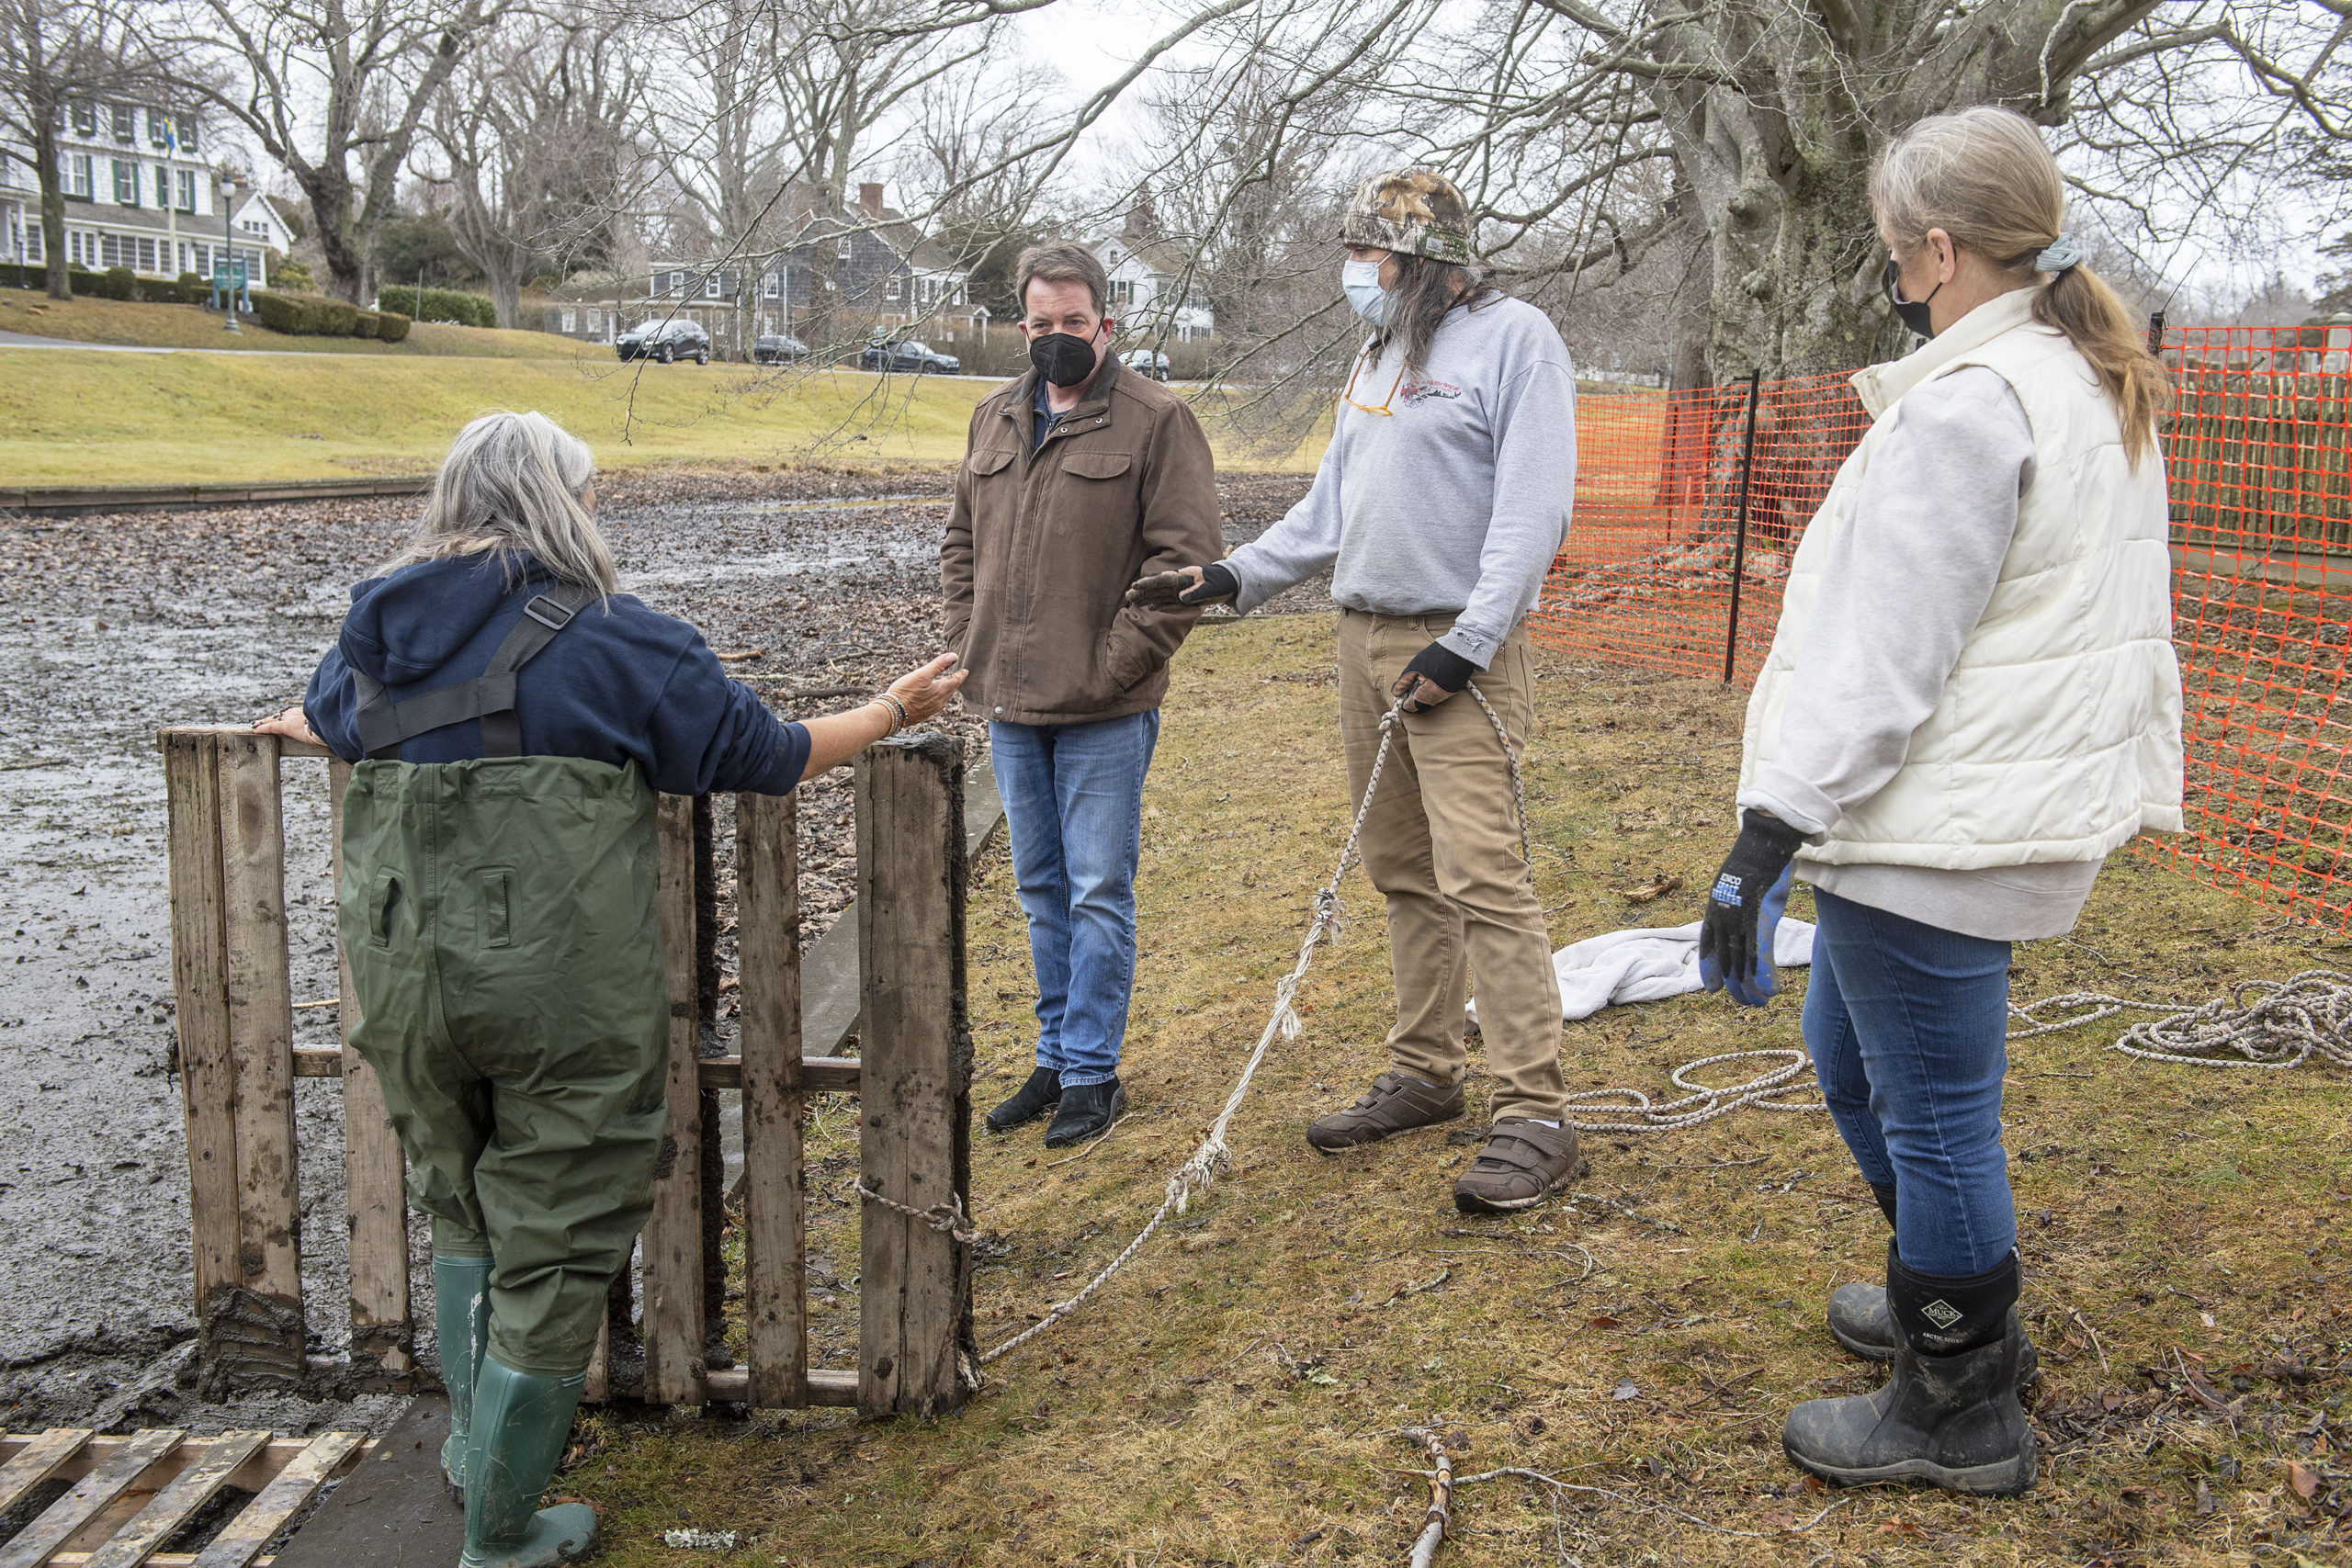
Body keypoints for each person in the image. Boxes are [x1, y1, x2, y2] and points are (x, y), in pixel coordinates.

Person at [254, 410, 966, 1568]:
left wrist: (307, 732)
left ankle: (464, 1449)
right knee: (561, 1226)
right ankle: (501, 1528)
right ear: (558, 503)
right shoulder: (619, 637)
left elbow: (343, 723)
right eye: (588, 495)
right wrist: (892, 712)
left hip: (399, 981)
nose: (596, 513)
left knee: (460, 1200)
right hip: (552, 991)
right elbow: (767, 755)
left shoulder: (373, 632)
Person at [1694, 107, 2182, 1496]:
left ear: (1941, 250)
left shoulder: (1973, 406)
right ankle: (1955, 1302)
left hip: (1937, 826)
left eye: (1895, 250)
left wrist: (1768, 827)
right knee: (1848, 1058)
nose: (1891, 272)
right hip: (1976, 808)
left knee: (1937, 1117)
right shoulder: (2078, 372)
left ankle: (1961, 1394)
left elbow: (1882, 652)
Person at [1128, 167, 1578, 1215]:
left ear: (1422, 260)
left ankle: (1536, 1115)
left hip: (1455, 647)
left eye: (1368, 256)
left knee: (1485, 877)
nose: (1355, 275)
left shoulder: (1517, 342)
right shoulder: (1381, 352)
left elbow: (1532, 514)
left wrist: (1467, 645)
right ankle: (1426, 1073)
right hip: (1362, 636)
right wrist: (1232, 575)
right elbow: (1330, 508)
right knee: (1402, 871)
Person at [942, 241, 1224, 1147]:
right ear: (1020, 323)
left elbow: (1182, 568)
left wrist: (1113, 668)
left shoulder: (1157, 421)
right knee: (1039, 888)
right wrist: (966, 641)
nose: (1056, 336)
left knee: (1100, 888)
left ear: (1106, 322)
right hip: (1011, 701)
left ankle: (1095, 1074)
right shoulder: (992, 416)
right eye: (1041, 322)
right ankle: (1056, 1057)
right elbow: (959, 546)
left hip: (1105, 706)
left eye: (1074, 322)